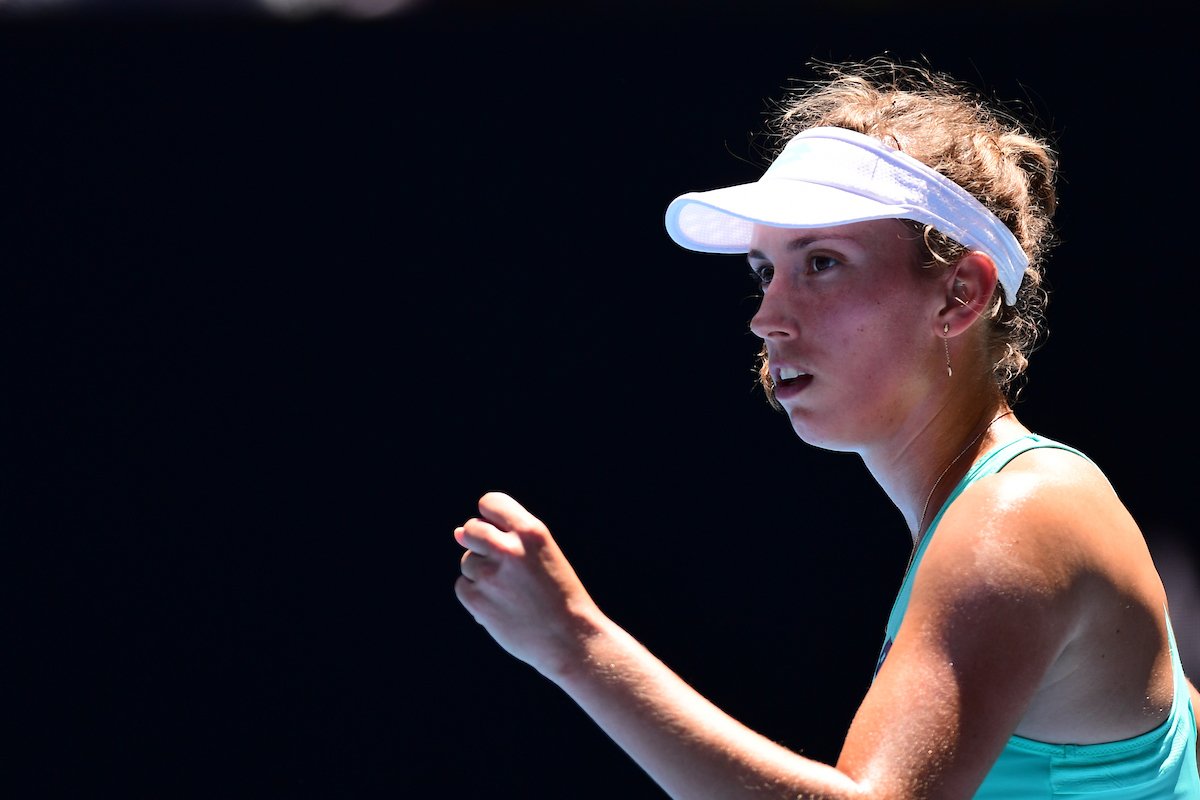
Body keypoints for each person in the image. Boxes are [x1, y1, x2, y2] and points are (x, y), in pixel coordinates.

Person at [451, 56, 1200, 799]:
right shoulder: (1019, 510)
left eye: (821, 263)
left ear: (960, 294)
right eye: (764, 271)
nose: (766, 317)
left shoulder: (1023, 514)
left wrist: (575, 643)